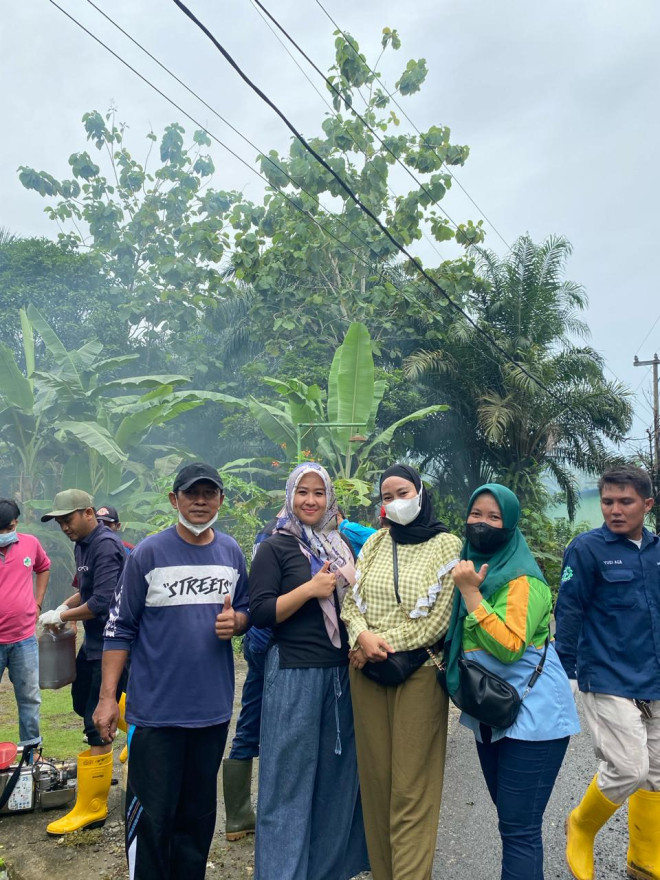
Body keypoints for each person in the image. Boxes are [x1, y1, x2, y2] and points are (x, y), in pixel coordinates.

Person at [93, 462, 250, 880]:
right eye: (191, 493)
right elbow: (119, 628)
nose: (200, 501)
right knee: (151, 821)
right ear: (173, 499)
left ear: (220, 499)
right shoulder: (148, 553)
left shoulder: (231, 553)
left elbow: (247, 609)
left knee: (196, 823)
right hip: (156, 715)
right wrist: (107, 698)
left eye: (209, 493)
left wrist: (238, 622)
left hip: (211, 714)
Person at [444, 483, 579, 880]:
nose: (482, 523)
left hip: (535, 718)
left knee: (519, 831)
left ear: (511, 524)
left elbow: (509, 647)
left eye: (494, 517)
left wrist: (471, 593)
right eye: (476, 514)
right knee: (510, 823)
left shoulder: (524, 580)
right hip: (491, 712)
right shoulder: (469, 567)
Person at [341, 463, 462, 880]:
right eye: (387, 497)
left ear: (421, 493)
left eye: (403, 493)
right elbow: (351, 602)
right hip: (367, 673)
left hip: (419, 673)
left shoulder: (447, 545)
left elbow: (438, 621)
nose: (395, 502)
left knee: (411, 788)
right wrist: (361, 636)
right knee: (376, 783)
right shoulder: (376, 542)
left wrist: (377, 643)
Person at [249, 462, 369, 880]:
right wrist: (309, 589)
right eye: (303, 492)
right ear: (290, 496)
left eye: (319, 493)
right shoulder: (276, 546)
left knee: (336, 781)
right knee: (287, 782)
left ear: (330, 497)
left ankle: (326, 871)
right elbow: (261, 612)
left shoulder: (343, 545)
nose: (311, 500)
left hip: (341, 675)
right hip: (294, 672)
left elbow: (358, 604)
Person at [555, 465, 660, 880]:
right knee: (629, 768)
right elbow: (569, 611)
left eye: (625, 502)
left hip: (654, 677)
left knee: (656, 773)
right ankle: (581, 825)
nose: (615, 510)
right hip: (606, 675)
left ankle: (644, 858)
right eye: (608, 501)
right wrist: (564, 674)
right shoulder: (586, 549)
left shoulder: (657, 551)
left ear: (647, 504)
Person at [39, 488, 126, 835]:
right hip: (93, 642)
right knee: (81, 702)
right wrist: (64, 606)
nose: (64, 526)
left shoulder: (106, 545)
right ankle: (137, 728)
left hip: (113, 643)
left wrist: (62, 616)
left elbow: (103, 601)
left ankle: (93, 807)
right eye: (59, 521)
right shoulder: (82, 544)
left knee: (95, 720)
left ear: (88, 513)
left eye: (68, 519)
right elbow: (87, 591)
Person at [222, 517, 277, 842]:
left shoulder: (266, 530)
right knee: (281, 725)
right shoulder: (293, 533)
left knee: (251, 716)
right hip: (275, 640)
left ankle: (238, 817)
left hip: (256, 636)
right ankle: (274, 812)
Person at [0, 498, 51, 749]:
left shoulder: (30, 543)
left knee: (29, 699)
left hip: (24, 639)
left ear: (16, 523)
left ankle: (30, 755)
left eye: (8, 529)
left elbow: (43, 567)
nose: (4, 535)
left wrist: (37, 602)